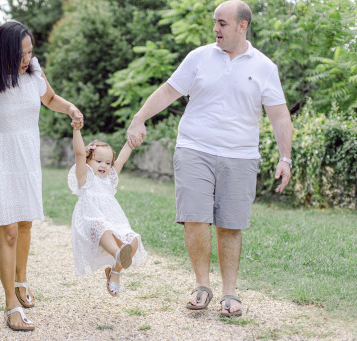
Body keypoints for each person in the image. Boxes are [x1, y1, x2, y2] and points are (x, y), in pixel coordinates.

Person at [126, 0, 292, 317]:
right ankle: (202, 285)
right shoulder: (199, 57)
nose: (215, 29)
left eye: (222, 23)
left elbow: (280, 116)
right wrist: (139, 118)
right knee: (195, 217)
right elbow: (168, 91)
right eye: (214, 22)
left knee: (230, 225)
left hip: (241, 155)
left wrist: (286, 157)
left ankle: (230, 292)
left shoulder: (264, 67)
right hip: (194, 147)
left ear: (242, 26)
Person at [0, 21, 83, 331]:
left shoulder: (34, 72)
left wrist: (70, 108)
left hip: (26, 161)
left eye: (30, 52)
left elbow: (49, 99)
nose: (27, 59)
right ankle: (10, 304)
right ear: (5, 53)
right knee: (7, 231)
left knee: (24, 224)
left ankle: (21, 281)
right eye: (21, 54)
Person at [68, 120, 147, 297]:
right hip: (90, 221)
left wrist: (130, 142)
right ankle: (118, 254)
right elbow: (79, 153)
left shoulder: (109, 181)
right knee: (101, 226)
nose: (104, 165)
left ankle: (115, 271)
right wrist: (77, 130)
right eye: (99, 161)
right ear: (88, 160)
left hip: (113, 221)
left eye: (107, 163)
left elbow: (121, 159)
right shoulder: (84, 179)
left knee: (133, 238)